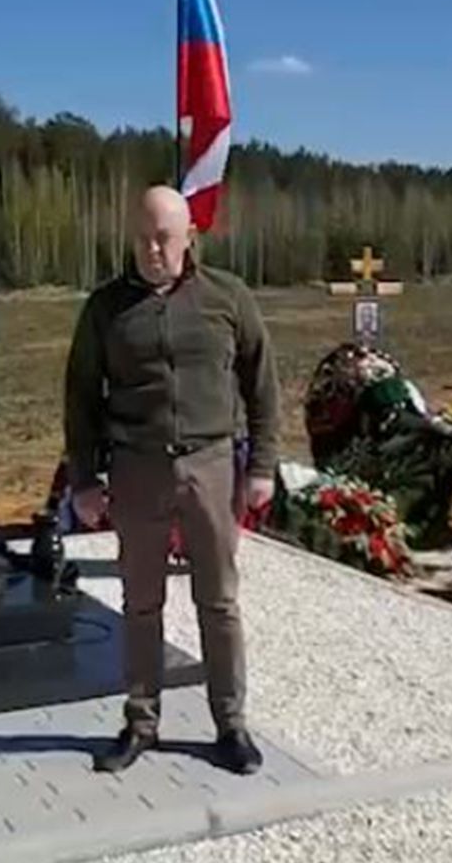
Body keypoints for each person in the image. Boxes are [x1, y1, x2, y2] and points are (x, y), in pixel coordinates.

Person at [63, 185, 281, 774]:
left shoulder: (227, 298)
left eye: (164, 237)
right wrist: (84, 479)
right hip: (137, 470)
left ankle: (230, 724)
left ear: (190, 238)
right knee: (140, 602)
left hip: (211, 466)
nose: (153, 249)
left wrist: (261, 467)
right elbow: (81, 399)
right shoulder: (105, 309)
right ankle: (141, 722)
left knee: (219, 601)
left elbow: (262, 386)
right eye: (142, 237)